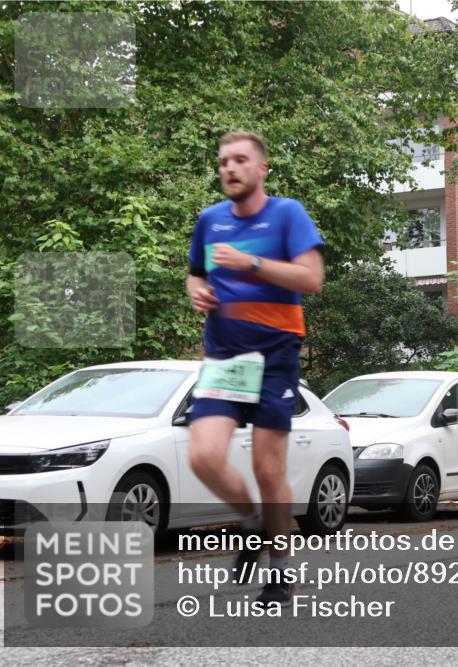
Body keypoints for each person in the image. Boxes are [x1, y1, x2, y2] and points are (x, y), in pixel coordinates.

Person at [186, 131, 325, 605]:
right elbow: (197, 273)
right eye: (224, 161)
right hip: (224, 356)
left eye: (241, 160)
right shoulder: (210, 221)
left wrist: (251, 262)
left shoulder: (287, 214)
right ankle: (253, 521)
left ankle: (282, 572)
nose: (230, 168)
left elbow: (311, 278)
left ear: (262, 168)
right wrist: (196, 291)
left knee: (268, 469)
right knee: (202, 456)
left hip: (275, 356)